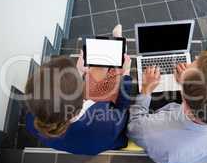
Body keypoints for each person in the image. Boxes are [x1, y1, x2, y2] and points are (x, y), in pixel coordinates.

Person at [127, 50, 207, 163]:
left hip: (166, 153)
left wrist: (146, 90)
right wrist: (192, 84)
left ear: (185, 103)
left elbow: (133, 127)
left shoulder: (151, 132)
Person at [25, 25, 133, 155]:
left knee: (98, 74)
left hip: (79, 139)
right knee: (108, 75)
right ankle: (120, 45)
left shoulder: (33, 120)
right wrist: (126, 74)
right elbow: (122, 109)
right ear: (82, 98)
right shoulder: (106, 124)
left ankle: (119, 44)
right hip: (107, 137)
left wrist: (79, 71)